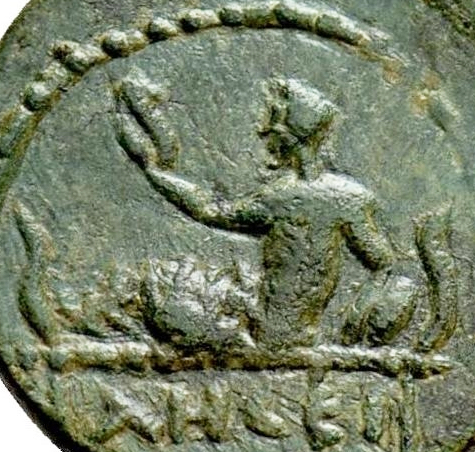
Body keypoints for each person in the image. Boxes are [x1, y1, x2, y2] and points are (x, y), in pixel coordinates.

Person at [130, 77, 393, 349]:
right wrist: (355, 324)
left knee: (169, 290)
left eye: (271, 128)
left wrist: (155, 173)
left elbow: (209, 210)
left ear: (290, 137)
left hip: (271, 334)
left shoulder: (280, 199)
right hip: (292, 329)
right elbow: (384, 264)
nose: (262, 133)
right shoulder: (349, 197)